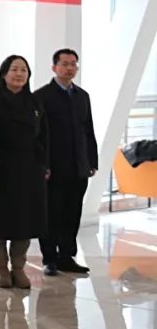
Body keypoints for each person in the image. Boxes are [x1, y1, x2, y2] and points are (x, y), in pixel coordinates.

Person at [0, 56, 50, 289]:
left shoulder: (34, 101)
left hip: (30, 168)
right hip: (0, 168)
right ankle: (1, 270)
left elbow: (44, 136)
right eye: (14, 69)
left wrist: (44, 164)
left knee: (25, 221)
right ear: (4, 74)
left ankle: (19, 268)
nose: (19, 74)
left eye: (23, 70)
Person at [33, 48, 98, 276]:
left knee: (72, 212)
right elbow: (38, 135)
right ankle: (49, 258)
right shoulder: (41, 96)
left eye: (73, 64)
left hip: (78, 165)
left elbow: (88, 130)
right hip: (53, 167)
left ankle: (66, 256)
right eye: (65, 64)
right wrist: (43, 164)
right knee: (52, 213)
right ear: (54, 67)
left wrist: (92, 160)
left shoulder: (82, 96)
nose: (70, 68)